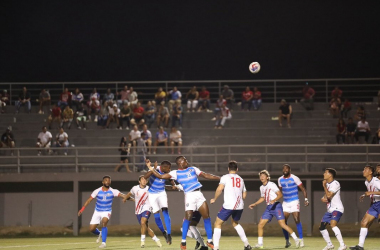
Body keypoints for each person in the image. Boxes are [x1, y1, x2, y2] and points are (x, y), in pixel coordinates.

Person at [145, 156, 221, 250]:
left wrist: (219, 178)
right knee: (188, 218)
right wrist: (150, 168)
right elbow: (160, 176)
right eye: (185, 160)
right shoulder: (175, 173)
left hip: (199, 194)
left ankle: (210, 241)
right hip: (189, 196)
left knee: (207, 217)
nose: (187, 161)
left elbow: (205, 175)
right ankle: (183, 243)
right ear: (180, 162)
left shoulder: (193, 169)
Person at [248, 170, 300, 249]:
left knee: (282, 224)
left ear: (267, 177)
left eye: (263, 176)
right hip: (269, 208)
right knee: (260, 224)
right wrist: (255, 204)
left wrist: (274, 200)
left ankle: (296, 239)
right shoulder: (261, 187)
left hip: (276, 206)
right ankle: (260, 244)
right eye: (260, 176)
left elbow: (280, 194)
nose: (261, 177)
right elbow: (263, 198)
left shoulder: (272, 184)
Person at [210, 161, 252, 250]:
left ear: (228, 169)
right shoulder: (241, 179)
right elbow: (244, 193)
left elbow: (220, 188)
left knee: (217, 224)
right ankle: (247, 244)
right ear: (237, 169)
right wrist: (241, 199)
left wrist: (214, 199)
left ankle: (216, 247)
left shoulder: (225, 177)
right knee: (235, 223)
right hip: (239, 206)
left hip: (229, 205)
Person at [77, 175, 128, 249]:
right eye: (106, 180)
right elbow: (89, 200)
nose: (108, 182)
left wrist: (135, 200)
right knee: (91, 229)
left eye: (109, 180)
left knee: (104, 222)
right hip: (97, 211)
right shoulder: (97, 191)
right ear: (103, 182)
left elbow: (124, 196)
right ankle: (100, 233)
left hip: (106, 211)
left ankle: (103, 243)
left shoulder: (113, 191)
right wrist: (82, 209)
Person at [122, 176, 162, 248]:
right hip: (138, 210)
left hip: (147, 208)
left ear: (147, 181)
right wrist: (125, 198)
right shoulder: (135, 188)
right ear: (139, 181)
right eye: (142, 179)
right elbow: (129, 194)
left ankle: (142, 241)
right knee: (146, 227)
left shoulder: (149, 189)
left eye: (145, 180)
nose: (144, 181)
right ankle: (156, 240)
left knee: (143, 222)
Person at [142, 161, 173, 245]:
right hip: (152, 194)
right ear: (163, 167)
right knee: (156, 216)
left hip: (161, 193)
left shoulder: (167, 172)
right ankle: (164, 233)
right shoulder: (156, 169)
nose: (169, 169)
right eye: (168, 168)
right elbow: (145, 177)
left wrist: (173, 185)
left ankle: (169, 235)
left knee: (165, 211)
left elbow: (170, 179)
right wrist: (153, 169)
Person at [278, 164, 309, 248]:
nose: (285, 170)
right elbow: (279, 191)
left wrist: (306, 199)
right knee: (283, 222)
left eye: (286, 168)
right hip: (285, 202)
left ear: (289, 170)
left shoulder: (295, 178)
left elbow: (303, 189)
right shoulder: (280, 179)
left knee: (296, 219)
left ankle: (301, 240)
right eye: (283, 168)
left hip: (294, 201)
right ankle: (287, 241)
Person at [349, 165, 380, 250]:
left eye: (365, 169)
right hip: (374, 205)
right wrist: (365, 195)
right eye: (363, 169)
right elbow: (372, 193)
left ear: (370, 172)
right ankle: (360, 246)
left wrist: (370, 193)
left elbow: (373, 192)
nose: (363, 171)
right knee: (364, 223)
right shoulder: (366, 182)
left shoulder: (376, 181)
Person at [320, 168, 347, 250]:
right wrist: (323, 198)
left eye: (325, 172)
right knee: (321, 227)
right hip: (330, 210)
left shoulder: (335, 183)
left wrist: (324, 186)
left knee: (333, 224)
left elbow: (329, 195)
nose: (323, 174)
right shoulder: (328, 184)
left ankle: (342, 245)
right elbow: (326, 196)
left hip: (337, 208)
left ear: (330, 175)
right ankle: (329, 245)